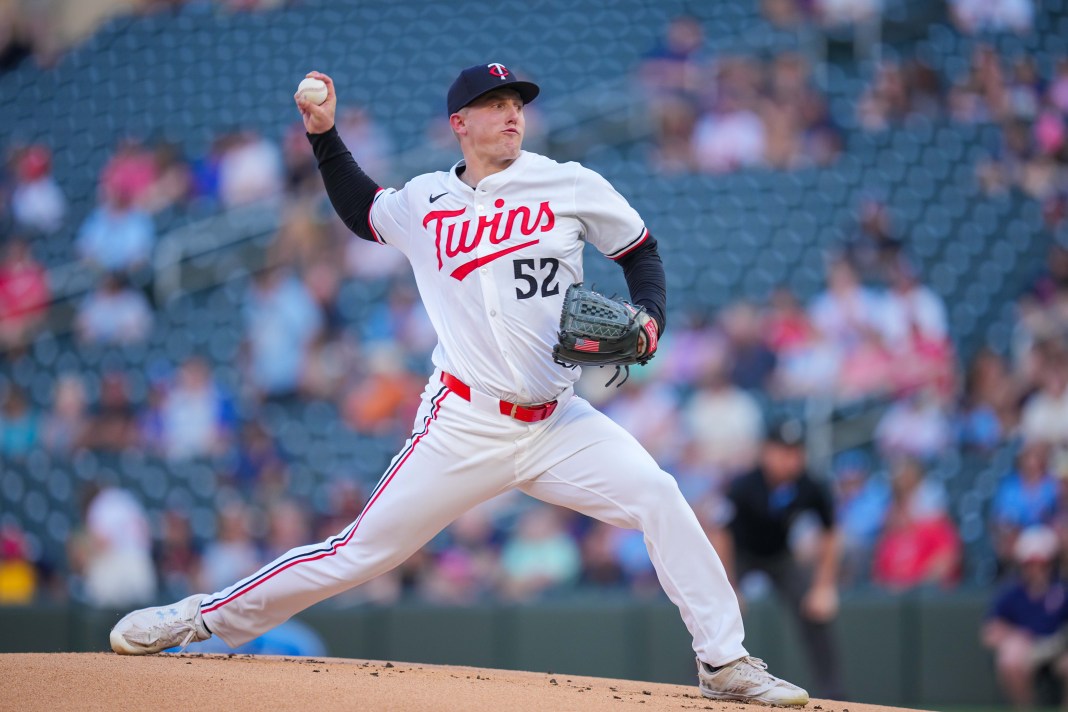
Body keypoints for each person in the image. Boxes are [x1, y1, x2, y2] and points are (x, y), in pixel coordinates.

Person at [108, 63, 808, 706]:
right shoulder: (426, 201)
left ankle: (724, 662)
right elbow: (362, 209)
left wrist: (651, 316)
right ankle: (200, 617)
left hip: (557, 422)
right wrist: (324, 134)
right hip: (464, 423)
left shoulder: (567, 182)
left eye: (516, 104)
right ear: (459, 124)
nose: (511, 114)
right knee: (358, 553)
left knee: (658, 494)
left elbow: (639, 249)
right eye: (494, 104)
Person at [717, 418, 844, 699]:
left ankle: (834, 695)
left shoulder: (810, 486)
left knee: (816, 612)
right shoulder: (743, 485)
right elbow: (720, 534)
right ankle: (698, 684)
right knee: (716, 611)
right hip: (742, 555)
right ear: (766, 451)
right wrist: (728, 585)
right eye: (782, 451)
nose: (790, 459)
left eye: (796, 451)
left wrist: (824, 586)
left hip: (780, 558)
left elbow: (831, 534)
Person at [983, 526, 1068, 708]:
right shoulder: (1011, 593)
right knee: (1009, 658)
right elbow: (989, 632)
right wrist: (1016, 636)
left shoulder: (1062, 590)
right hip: (1029, 650)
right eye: (1031, 563)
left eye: (1042, 563)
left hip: (1058, 648)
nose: (1036, 569)